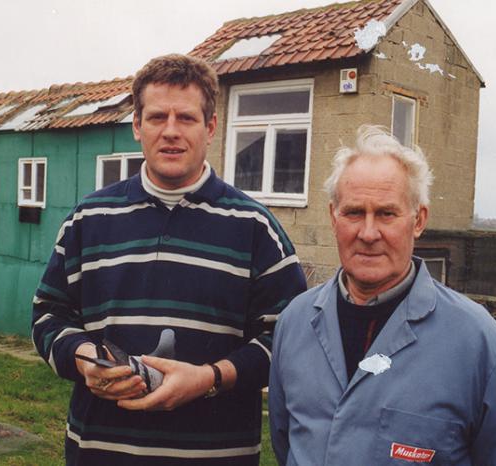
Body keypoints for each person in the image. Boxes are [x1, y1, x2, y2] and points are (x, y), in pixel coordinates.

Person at [32, 54, 307, 466]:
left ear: (211, 127)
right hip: (101, 454)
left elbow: (287, 343)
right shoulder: (88, 220)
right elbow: (48, 316)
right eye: (158, 117)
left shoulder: (256, 228)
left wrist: (210, 379)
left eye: (187, 118)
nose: (171, 132)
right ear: (137, 127)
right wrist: (82, 356)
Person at [269, 125, 496, 465]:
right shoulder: (295, 323)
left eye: (386, 213)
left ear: (418, 220)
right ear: (333, 217)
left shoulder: (479, 343)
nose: (368, 233)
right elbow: (285, 444)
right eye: (354, 212)